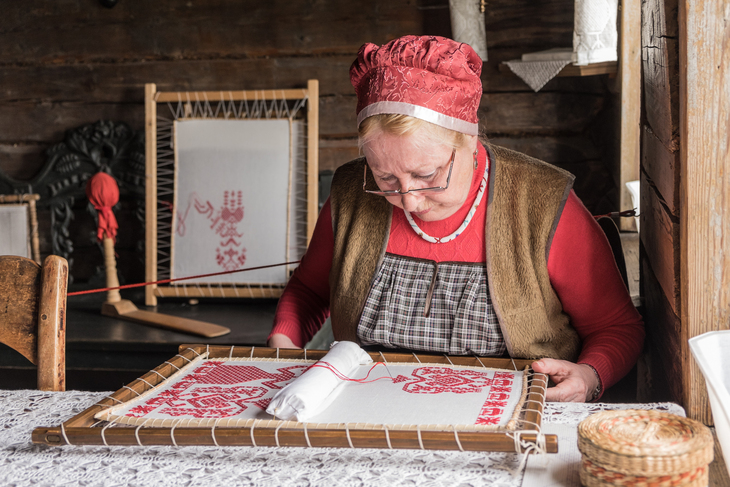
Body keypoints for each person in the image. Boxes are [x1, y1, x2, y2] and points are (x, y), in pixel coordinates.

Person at [268, 35, 644, 402]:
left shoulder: (542, 202)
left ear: (469, 139)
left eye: (427, 175)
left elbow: (617, 328)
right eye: (386, 179)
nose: (410, 201)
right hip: (367, 410)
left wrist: (591, 374)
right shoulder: (351, 191)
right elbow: (309, 292)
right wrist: (284, 346)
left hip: (512, 415)